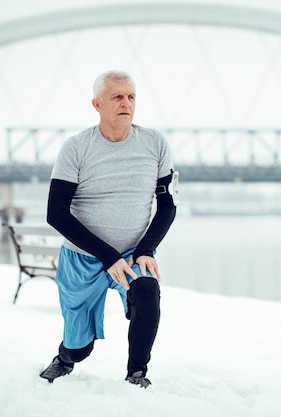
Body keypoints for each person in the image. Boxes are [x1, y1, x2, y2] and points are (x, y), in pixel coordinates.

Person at [39, 70, 178, 388]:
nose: (125, 102)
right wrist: (107, 256)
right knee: (79, 348)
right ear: (97, 103)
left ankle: (136, 373)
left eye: (131, 96)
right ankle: (64, 358)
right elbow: (55, 213)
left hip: (132, 254)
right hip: (82, 258)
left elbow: (168, 206)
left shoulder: (155, 143)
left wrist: (144, 250)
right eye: (117, 96)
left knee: (146, 290)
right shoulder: (76, 148)